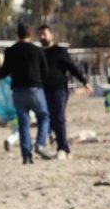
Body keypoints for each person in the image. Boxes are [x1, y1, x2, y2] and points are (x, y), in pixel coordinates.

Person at [0, 22, 52, 164]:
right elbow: (45, 72)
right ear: (30, 34)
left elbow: (5, 71)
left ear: (17, 34)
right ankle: (40, 144)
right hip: (35, 89)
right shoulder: (37, 50)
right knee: (44, 116)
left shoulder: (11, 51)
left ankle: (26, 155)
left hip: (18, 91)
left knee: (23, 123)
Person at [38, 25, 93, 159]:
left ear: (51, 35)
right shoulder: (39, 54)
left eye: (44, 34)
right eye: (40, 35)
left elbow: (72, 68)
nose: (42, 37)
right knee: (48, 119)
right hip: (43, 91)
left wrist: (84, 82)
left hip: (59, 90)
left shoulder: (59, 51)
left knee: (59, 118)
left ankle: (62, 148)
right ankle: (62, 147)